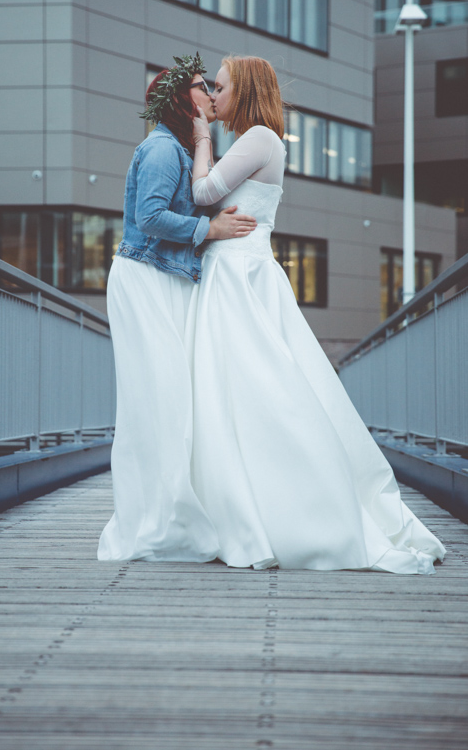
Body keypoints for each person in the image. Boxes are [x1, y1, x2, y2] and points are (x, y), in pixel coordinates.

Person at [186, 55, 446, 574]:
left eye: (219, 86)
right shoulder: (256, 138)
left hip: (240, 276)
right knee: (239, 395)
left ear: (246, 89)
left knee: (264, 392)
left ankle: (284, 509)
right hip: (237, 272)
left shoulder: (258, 136)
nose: (212, 96)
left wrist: (200, 140)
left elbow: (204, 193)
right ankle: (242, 506)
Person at [97, 54, 257, 563]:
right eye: (200, 85)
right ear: (180, 100)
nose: (210, 91)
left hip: (161, 279)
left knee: (169, 403)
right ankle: (159, 525)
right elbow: (149, 218)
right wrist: (209, 229)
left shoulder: (181, 149)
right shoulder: (164, 148)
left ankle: (171, 518)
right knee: (159, 403)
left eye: (212, 84)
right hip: (147, 281)